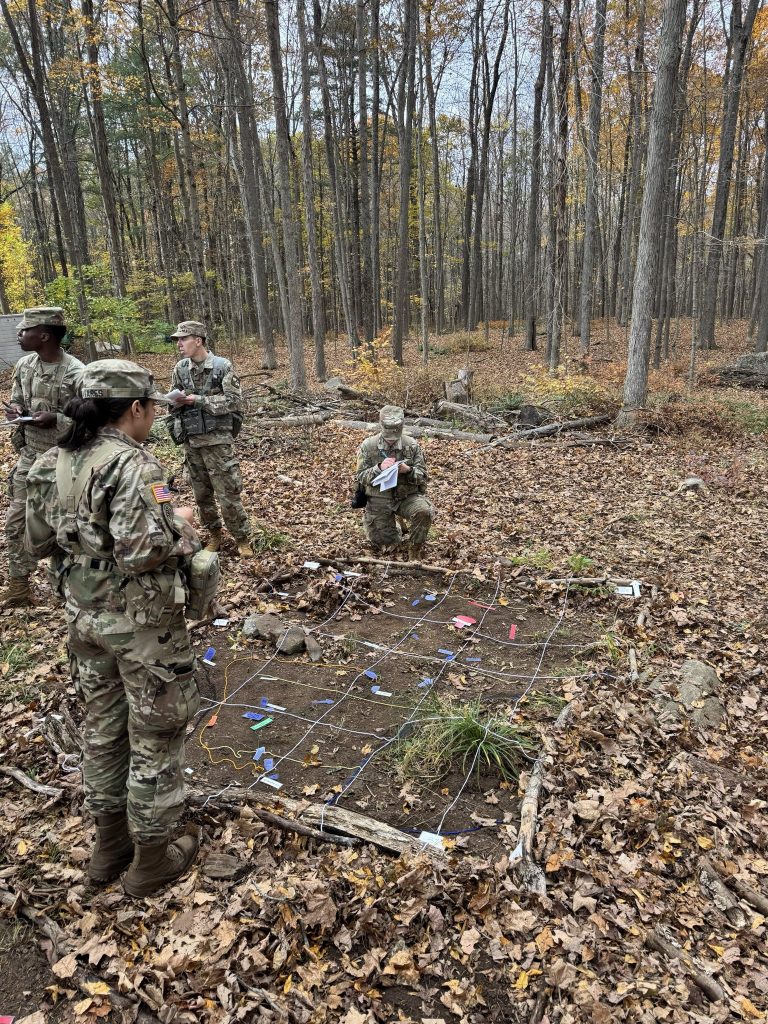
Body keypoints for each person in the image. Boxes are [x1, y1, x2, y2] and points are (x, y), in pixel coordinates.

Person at [24, 360, 202, 897]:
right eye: (150, 408)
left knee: (102, 727)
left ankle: (109, 846)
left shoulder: (51, 461)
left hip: (82, 614)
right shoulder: (133, 467)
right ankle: (152, 857)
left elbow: (36, 543)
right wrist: (184, 532)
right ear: (135, 408)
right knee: (156, 729)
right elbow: (143, 550)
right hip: (141, 622)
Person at [1, 307, 84, 607]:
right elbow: (16, 400)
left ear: (45, 335)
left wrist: (57, 420)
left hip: (65, 461)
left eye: (25, 331)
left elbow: (93, 421)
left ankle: (68, 586)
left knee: (64, 526)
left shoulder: (77, 372)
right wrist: (16, 412)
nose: (19, 335)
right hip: (30, 456)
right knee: (17, 522)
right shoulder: (24, 366)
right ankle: (19, 587)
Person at [167, 320, 253, 557]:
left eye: (183, 339)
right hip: (192, 443)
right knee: (202, 496)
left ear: (199, 340)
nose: (179, 344)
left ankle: (242, 538)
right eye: (178, 340)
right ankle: (214, 535)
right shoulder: (180, 369)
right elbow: (171, 406)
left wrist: (200, 400)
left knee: (228, 494)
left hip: (218, 444)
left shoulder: (222, 367)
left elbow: (234, 401)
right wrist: (176, 406)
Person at [355, 405, 433, 559]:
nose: (391, 441)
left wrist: (408, 470)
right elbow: (361, 476)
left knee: (424, 512)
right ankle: (397, 526)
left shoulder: (411, 445)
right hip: (379, 498)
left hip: (406, 497)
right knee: (387, 543)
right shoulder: (368, 446)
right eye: (388, 436)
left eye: (394, 437)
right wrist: (378, 468)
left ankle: (414, 550)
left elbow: (423, 476)